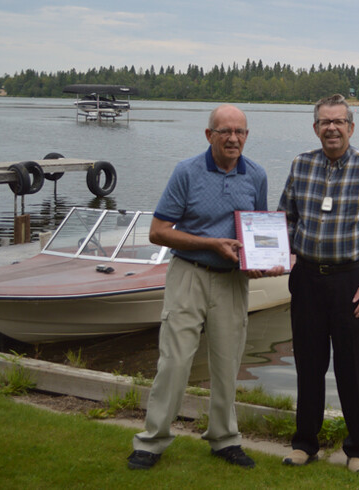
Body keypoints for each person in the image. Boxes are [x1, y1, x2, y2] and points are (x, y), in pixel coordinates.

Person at [127, 104, 284, 470]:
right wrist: (211, 244)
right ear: (209, 134)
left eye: (240, 132)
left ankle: (224, 439)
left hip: (232, 282)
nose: (233, 138)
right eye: (225, 131)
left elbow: (258, 229)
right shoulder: (187, 172)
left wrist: (256, 264)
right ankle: (151, 441)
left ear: (247, 136)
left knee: (228, 363)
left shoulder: (256, 175)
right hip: (189, 274)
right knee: (175, 361)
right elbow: (158, 232)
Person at [278, 94, 359, 474]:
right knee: (308, 365)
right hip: (309, 279)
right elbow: (286, 219)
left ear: (351, 127)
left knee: (355, 368)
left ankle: (358, 449)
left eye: (339, 122)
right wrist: (287, 254)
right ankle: (305, 443)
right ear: (315, 128)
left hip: (354, 282)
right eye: (325, 122)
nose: (332, 128)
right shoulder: (301, 165)